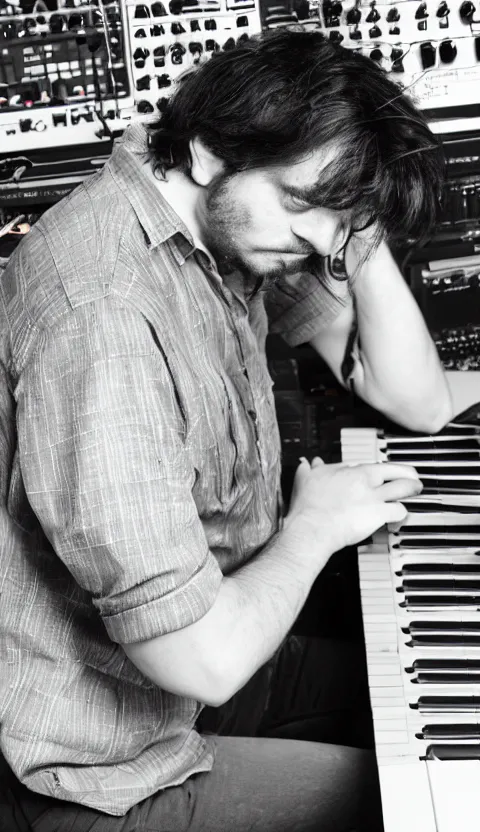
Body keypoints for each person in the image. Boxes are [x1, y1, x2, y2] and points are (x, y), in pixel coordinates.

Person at [0, 30, 452, 832]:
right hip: (102, 770)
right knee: (423, 802)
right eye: (300, 201)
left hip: (196, 690)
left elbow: (415, 399)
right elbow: (197, 659)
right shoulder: (105, 313)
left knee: (420, 691)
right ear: (209, 151)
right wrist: (312, 528)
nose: (316, 246)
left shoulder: (218, 226)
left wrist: (350, 211)